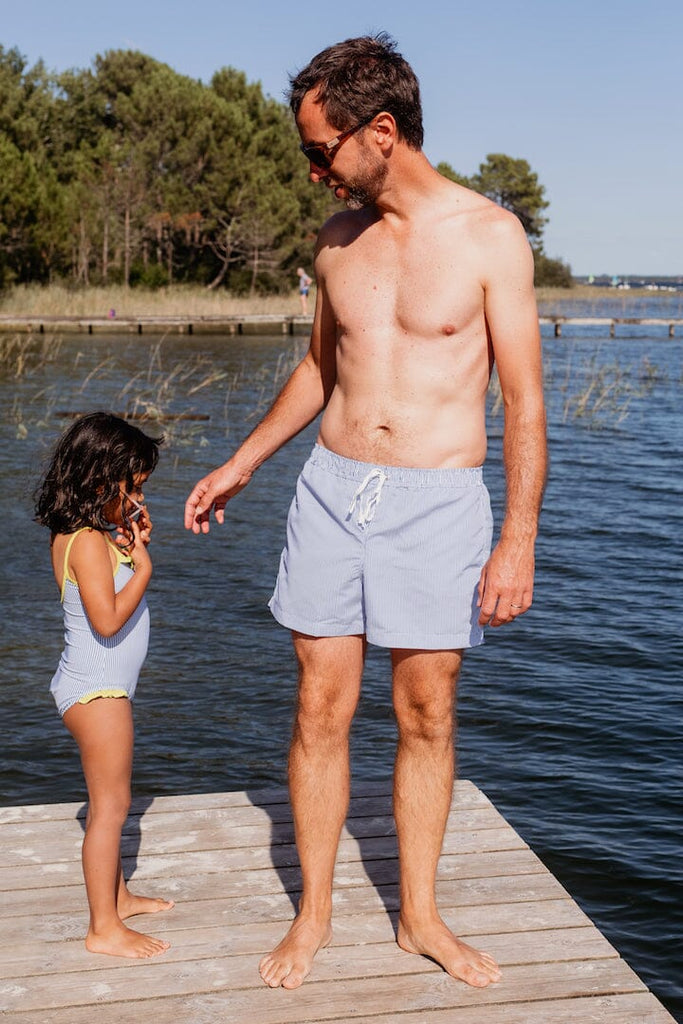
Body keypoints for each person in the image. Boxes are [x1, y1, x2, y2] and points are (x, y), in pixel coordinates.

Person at [185, 32, 547, 991]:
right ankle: (313, 915)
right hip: (332, 491)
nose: (314, 174)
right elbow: (319, 368)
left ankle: (418, 917)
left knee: (424, 711)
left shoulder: (489, 236)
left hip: (438, 503)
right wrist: (241, 463)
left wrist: (517, 539)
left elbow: (526, 404)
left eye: (321, 150)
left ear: (380, 131)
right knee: (318, 705)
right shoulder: (336, 243)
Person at [35, 412, 173, 958]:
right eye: (133, 486)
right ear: (100, 479)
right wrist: (142, 566)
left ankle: (118, 897)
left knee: (115, 801)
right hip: (97, 691)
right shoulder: (85, 542)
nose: (139, 496)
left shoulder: (91, 536)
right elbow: (108, 620)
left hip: (102, 686)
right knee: (110, 808)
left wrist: (129, 541)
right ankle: (103, 928)